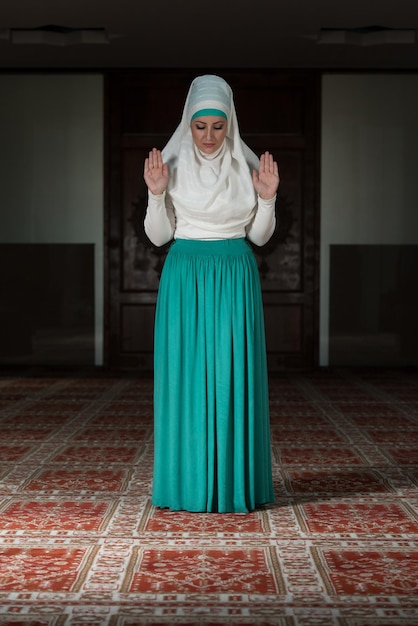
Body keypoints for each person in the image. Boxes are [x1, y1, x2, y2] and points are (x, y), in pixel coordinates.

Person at [143, 74, 279, 513]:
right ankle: (186, 484)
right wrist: (155, 194)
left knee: (231, 375)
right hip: (185, 273)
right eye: (200, 126)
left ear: (230, 124)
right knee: (184, 377)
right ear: (188, 124)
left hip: (234, 274)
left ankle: (233, 484)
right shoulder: (169, 165)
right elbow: (159, 237)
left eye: (217, 126)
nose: (208, 136)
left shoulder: (250, 168)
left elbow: (259, 237)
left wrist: (268, 199)